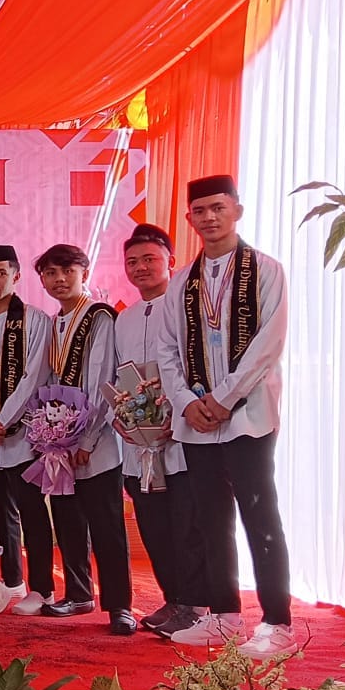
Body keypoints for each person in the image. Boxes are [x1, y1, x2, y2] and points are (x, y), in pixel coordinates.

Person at [156, 175, 293, 659]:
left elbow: (268, 344)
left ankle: (277, 622)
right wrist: (186, 402)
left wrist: (225, 398)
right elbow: (167, 350)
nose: (209, 217)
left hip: (249, 415)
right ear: (190, 218)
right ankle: (224, 617)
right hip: (196, 419)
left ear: (237, 210)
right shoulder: (180, 283)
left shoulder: (267, 270)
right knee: (210, 519)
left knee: (260, 515)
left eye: (218, 207)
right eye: (200, 210)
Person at [34, 244, 135, 635]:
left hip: (97, 443)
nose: (59, 279)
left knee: (106, 524)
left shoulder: (99, 317)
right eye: (50, 273)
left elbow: (103, 379)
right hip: (59, 444)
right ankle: (78, 593)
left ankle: (120, 605)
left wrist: (87, 438)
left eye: (68, 271)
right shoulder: (52, 323)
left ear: (84, 273)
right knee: (67, 520)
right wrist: (50, 433)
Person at [114, 224, 207, 637]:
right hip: (140, 444)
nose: (140, 268)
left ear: (170, 260)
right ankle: (174, 599)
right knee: (153, 527)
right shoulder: (125, 319)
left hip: (183, 438)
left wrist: (178, 413)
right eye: (132, 261)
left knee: (187, 526)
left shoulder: (189, 309)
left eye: (149, 259)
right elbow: (121, 377)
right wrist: (121, 416)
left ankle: (196, 605)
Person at [0, 244, 54, 616]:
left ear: (16, 276)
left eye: (1, 273)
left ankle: (43, 588)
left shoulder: (36, 320)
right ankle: (11, 580)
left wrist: (3, 419)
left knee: (32, 510)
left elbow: (34, 375)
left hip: (22, 434)